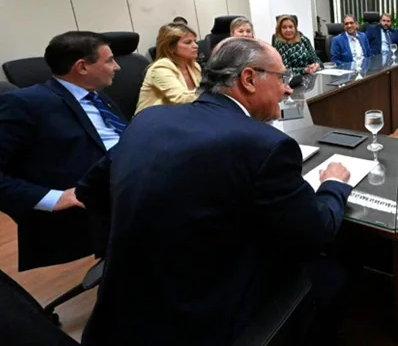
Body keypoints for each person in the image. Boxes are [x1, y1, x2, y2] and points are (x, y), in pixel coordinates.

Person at [80, 37, 354, 346]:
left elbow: (89, 190)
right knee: (333, 275)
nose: (287, 89)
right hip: (199, 320)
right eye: (282, 78)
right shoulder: (265, 145)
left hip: (120, 310)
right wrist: (334, 184)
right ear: (249, 79)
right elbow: (317, 230)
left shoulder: (148, 119)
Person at [0, 31, 124, 271]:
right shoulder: (24, 104)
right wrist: (53, 198)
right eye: (109, 59)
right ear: (82, 67)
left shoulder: (97, 95)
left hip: (126, 176)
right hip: (98, 201)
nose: (117, 66)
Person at [135, 23, 201, 114]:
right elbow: (181, 99)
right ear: (171, 47)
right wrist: (216, 91)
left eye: (195, 41)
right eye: (188, 42)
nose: (195, 46)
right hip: (153, 121)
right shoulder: (160, 68)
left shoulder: (194, 66)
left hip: (181, 115)